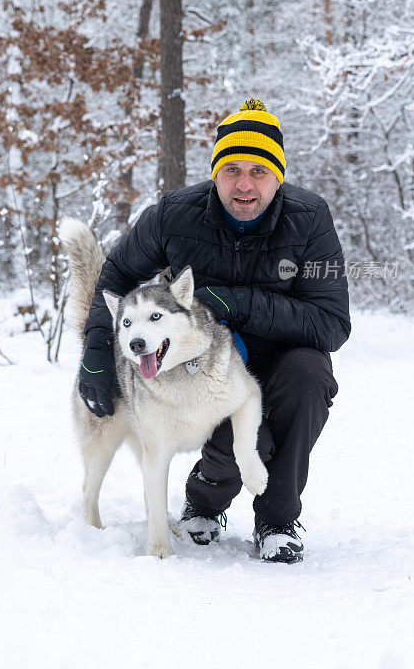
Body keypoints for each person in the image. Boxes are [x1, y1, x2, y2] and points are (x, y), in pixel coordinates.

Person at [79, 98, 350, 563]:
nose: (244, 185)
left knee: (309, 377)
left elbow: (331, 322)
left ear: (278, 175)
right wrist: (99, 352)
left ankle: (277, 521)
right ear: (215, 173)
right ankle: (204, 506)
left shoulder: (310, 219)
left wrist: (239, 302)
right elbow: (116, 276)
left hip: (280, 359)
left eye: (259, 172)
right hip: (200, 361)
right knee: (242, 434)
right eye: (232, 171)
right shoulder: (174, 214)